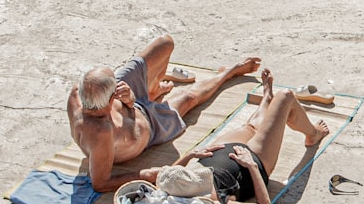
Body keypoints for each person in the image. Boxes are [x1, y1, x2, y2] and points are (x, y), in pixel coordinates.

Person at [66, 33, 260, 193]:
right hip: (152, 125)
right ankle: (229, 73)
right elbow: (100, 183)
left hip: (129, 104)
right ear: (111, 98)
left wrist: (129, 99)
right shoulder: (101, 133)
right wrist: (146, 175)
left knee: (164, 43)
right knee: (188, 97)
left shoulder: (79, 93)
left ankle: (152, 89)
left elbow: (114, 98)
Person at [175, 67, 330, 204]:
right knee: (285, 97)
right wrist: (252, 165)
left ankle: (266, 98)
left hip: (218, 152)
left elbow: (158, 173)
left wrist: (190, 155)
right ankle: (313, 134)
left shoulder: (169, 189)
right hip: (252, 160)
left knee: (250, 127)